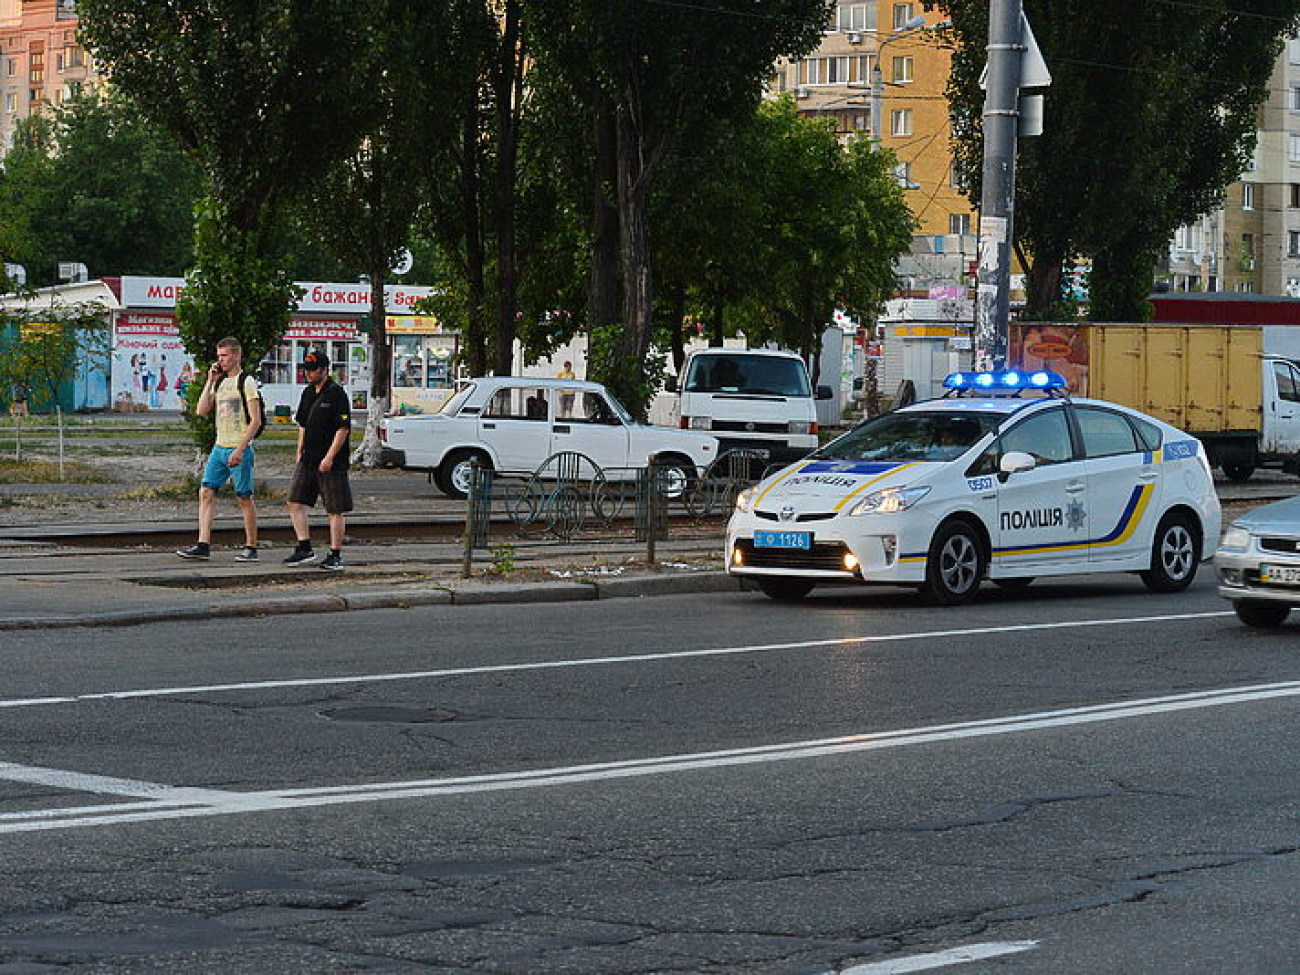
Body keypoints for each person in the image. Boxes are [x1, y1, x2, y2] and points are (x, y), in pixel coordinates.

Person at [177, 337, 261, 562]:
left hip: (238, 447)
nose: (220, 360)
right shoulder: (221, 382)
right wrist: (210, 381)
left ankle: (251, 546)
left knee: (244, 497)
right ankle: (203, 543)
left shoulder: (246, 382)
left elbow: (256, 421)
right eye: (219, 356)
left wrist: (241, 449)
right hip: (219, 446)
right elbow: (202, 410)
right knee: (206, 491)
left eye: (224, 356)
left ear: (235, 355)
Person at [284, 349, 353, 570]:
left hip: (331, 461)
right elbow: (302, 424)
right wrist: (299, 451)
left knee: (334, 508)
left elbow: (343, 429)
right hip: (309, 458)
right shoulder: (307, 393)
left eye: (313, 370)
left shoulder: (336, 394)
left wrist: (330, 456)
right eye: (306, 370)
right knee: (295, 501)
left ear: (325, 370)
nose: (309, 374)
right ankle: (304, 547)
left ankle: (335, 554)